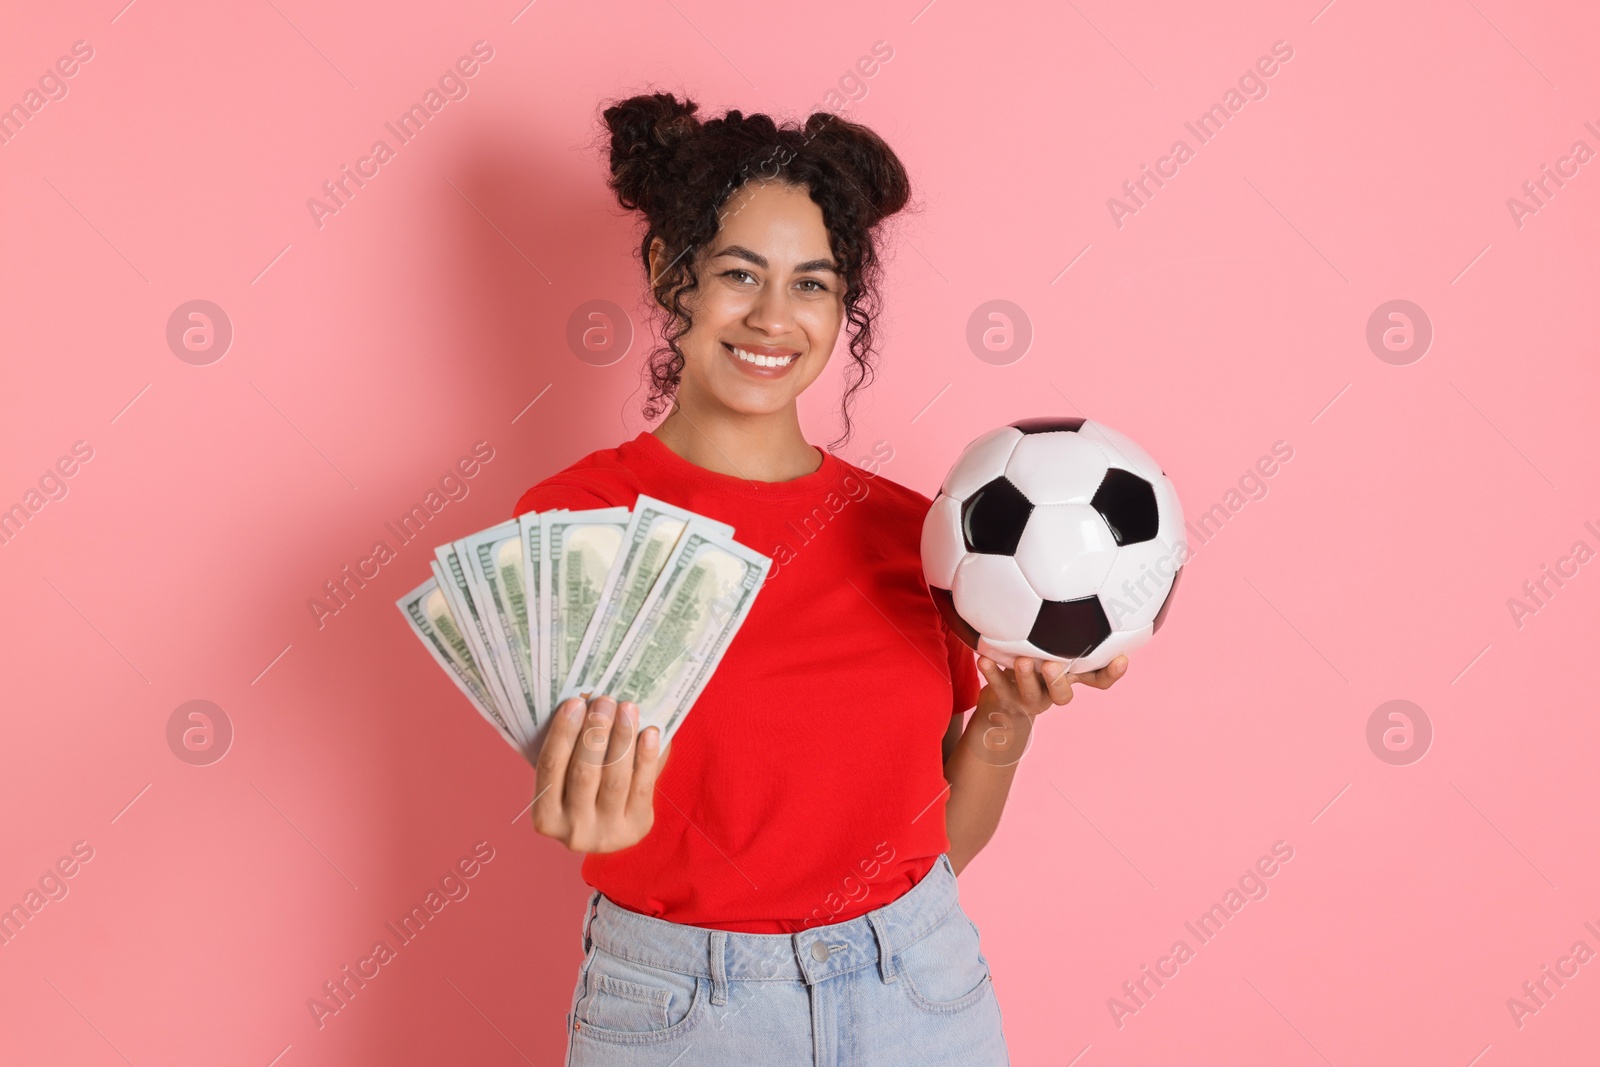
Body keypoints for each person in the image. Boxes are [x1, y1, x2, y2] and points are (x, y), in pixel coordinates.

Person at [514, 92, 1128, 1066]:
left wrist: (1005, 727)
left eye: (811, 283)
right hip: (681, 1009)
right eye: (737, 274)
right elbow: (570, 785)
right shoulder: (574, 526)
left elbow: (932, 854)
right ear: (668, 273)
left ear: (844, 304)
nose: (772, 316)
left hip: (921, 989)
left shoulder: (919, 534)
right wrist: (583, 809)